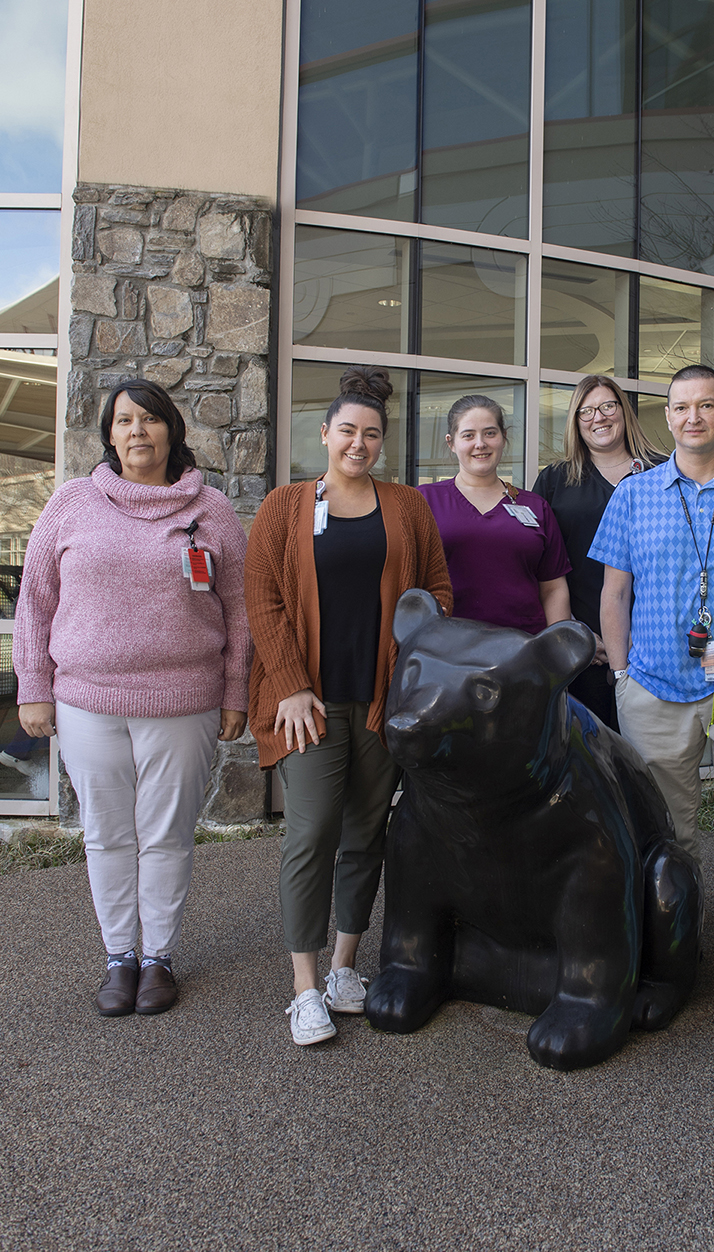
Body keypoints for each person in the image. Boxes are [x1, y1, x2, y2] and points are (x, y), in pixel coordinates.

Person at [13, 379, 251, 1017]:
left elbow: (241, 609)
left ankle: (159, 959)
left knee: (167, 835)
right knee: (107, 834)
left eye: (149, 420)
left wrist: (235, 694)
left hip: (183, 699)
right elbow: (35, 602)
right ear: (109, 434)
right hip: (88, 699)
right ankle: (120, 956)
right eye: (123, 421)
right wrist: (32, 689)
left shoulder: (211, 509)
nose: (137, 431)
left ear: (171, 430)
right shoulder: (71, 503)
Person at [245, 366, 452, 1047]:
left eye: (371, 434)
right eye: (347, 431)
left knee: (368, 835)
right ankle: (303, 989)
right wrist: (290, 684)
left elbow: (437, 591)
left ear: (382, 442)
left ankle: (343, 968)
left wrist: (415, 656)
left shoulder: (407, 507)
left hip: (380, 701)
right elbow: (265, 598)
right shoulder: (285, 506)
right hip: (307, 700)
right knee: (310, 835)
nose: (358, 443)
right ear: (325, 434)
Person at [589, 365, 714, 1008]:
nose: (692, 417)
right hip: (654, 687)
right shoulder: (634, 496)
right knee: (668, 829)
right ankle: (677, 943)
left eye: (705, 405)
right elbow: (614, 593)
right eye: (680, 407)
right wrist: (619, 675)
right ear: (666, 418)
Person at [532, 375, 665, 729]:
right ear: (576, 422)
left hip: (654, 646)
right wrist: (574, 633)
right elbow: (542, 568)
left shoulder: (662, 473)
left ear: (623, 411)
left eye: (608, 406)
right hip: (582, 649)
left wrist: (638, 636)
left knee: (647, 762)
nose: (599, 417)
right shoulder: (555, 480)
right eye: (586, 411)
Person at [418, 394, 571, 634]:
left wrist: (559, 648)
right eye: (468, 435)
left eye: (490, 433)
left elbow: (553, 588)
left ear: (503, 437)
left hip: (526, 652)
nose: (480, 443)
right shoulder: (423, 501)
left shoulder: (535, 506)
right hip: (447, 654)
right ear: (451, 442)